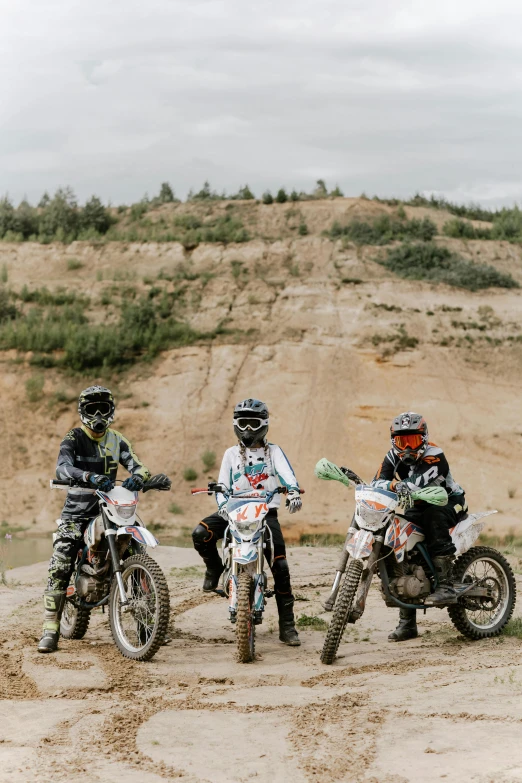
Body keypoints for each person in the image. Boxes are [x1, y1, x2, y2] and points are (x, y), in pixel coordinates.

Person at [38, 385, 151, 653]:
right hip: (77, 511)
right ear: (83, 411)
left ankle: (147, 623)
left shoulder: (117, 440)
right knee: (62, 558)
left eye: (103, 408)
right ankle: (50, 628)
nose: (98, 414)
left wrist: (139, 477)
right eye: (92, 409)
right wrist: (88, 476)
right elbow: (62, 466)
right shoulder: (73, 437)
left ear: (111, 411)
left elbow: (138, 464)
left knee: (137, 547)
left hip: (112, 509)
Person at [192, 398, 303, 646]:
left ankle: (288, 626)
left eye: (254, 424)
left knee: (281, 567)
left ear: (264, 424)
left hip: (266, 512)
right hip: (233, 510)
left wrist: (293, 491)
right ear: (235, 424)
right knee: (201, 533)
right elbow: (221, 485)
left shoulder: (274, 451)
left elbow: (287, 475)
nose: (248, 430)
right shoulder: (230, 454)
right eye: (244, 423)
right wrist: (222, 506)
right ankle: (214, 568)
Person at [371, 411, 467, 642]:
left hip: (448, 501)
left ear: (423, 438)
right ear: (393, 441)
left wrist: (393, 485)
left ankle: (445, 585)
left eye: (412, 440)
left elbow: (415, 484)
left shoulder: (435, 456)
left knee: (434, 518)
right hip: (417, 505)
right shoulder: (392, 457)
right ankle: (407, 624)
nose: (406, 447)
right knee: (404, 550)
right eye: (401, 441)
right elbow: (377, 482)